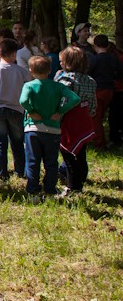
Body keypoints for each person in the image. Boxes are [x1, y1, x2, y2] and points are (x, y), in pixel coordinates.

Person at [20, 55, 79, 201]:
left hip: (33, 128)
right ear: (50, 70)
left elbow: (23, 100)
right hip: (53, 130)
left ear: (30, 70)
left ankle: (33, 190)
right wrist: (60, 111)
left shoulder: (29, 85)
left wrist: (31, 110)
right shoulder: (58, 86)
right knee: (51, 162)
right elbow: (75, 99)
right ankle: (50, 190)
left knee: (33, 161)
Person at [0, 39, 29, 181]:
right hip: (16, 109)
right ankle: (20, 171)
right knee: (18, 142)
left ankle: (1, 174)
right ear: (15, 54)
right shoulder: (22, 72)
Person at [56, 46, 97, 196]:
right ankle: (81, 180)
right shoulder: (90, 80)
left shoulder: (66, 80)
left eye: (62, 61)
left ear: (68, 62)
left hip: (70, 120)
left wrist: (56, 116)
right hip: (84, 120)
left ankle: (73, 186)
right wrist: (90, 114)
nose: (60, 63)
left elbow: (61, 101)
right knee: (81, 152)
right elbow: (92, 103)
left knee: (67, 153)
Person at [89, 35, 123, 149]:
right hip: (110, 90)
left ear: (95, 46)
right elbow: (119, 73)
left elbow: (89, 73)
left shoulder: (94, 59)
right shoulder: (113, 58)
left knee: (96, 118)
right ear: (107, 45)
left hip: (98, 90)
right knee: (104, 116)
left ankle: (99, 144)